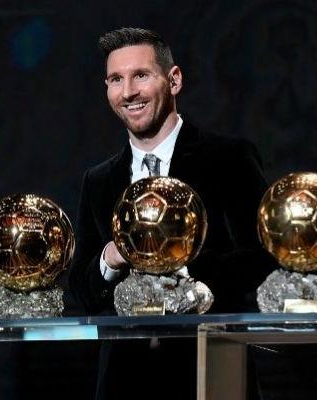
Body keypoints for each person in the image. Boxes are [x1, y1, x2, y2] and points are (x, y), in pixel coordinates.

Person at [67, 27, 274, 399]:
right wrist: (110, 258)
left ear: (174, 80)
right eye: (116, 79)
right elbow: (82, 291)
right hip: (122, 384)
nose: (128, 92)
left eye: (141, 75)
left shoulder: (229, 158)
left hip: (210, 374)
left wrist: (179, 271)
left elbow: (264, 258)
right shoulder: (98, 181)